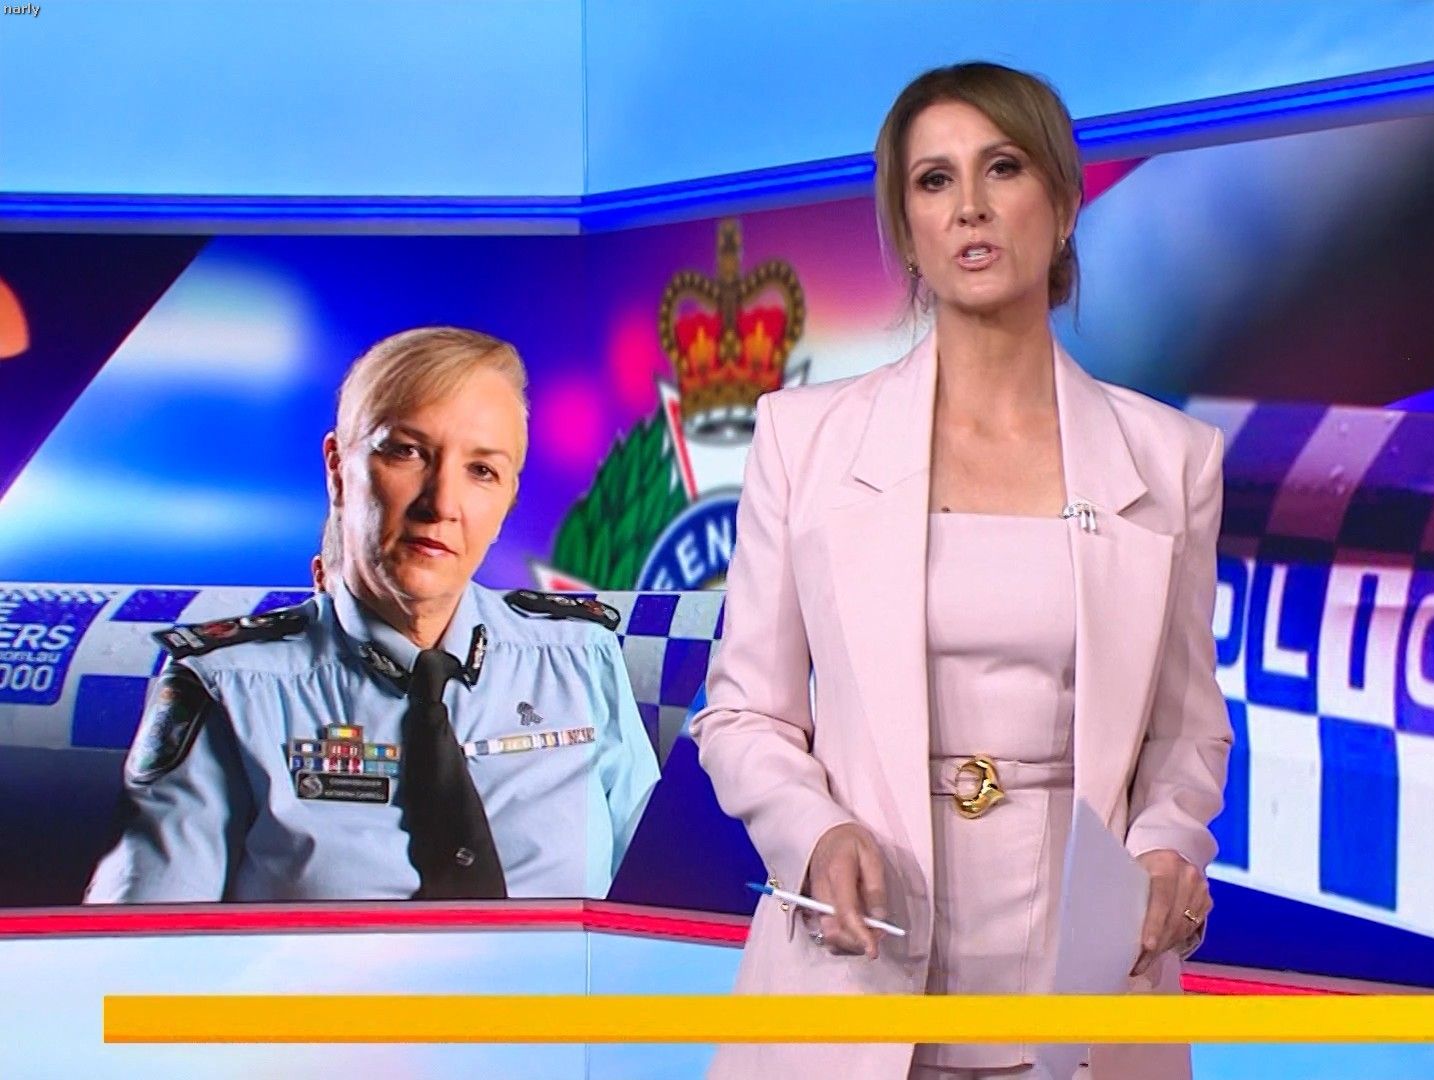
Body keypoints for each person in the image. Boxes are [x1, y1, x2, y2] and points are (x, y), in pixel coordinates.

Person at [688, 63, 1231, 1080]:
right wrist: (814, 833)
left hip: (1084, 993)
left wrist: (1167, 847)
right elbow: (743, 713)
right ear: (907, 228)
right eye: (934, 180)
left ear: (1063, 205)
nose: (970, 206)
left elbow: (1187, 732)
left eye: (1003, 168)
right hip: (853, 980)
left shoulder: (1171, 462)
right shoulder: (805, 441)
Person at [87, 327, 659, 902]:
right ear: (338, 469)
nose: (442, 504)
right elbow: (142, 947)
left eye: (481, 471)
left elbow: (661, 912)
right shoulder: (231, 689)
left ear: (509, 498)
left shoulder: (580, 661)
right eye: (407, 452)